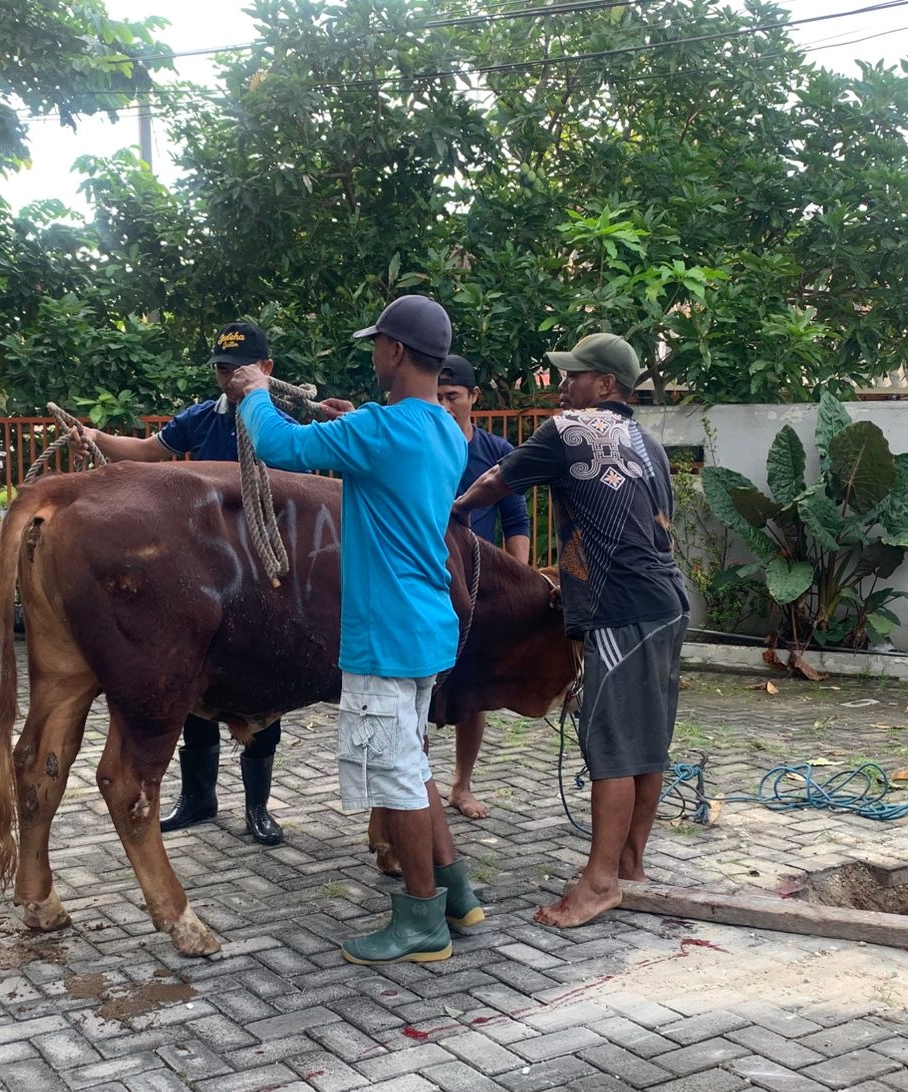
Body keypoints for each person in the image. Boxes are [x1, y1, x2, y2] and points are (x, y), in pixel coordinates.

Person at [228, 294, 485, 965]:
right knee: (413, 764)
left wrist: (254, 392)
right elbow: (381, 448)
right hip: (424, 627)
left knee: (395, 778)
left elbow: (280, 445)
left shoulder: (381, 431)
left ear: (395, 351)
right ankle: (457, 893)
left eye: (377, 344)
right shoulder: (441, 428)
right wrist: (346, 420)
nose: (373, 353)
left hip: (385, 634)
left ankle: (421, 920)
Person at [454, 332, 687, 929]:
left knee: (611, 746)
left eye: (573, 375)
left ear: (604, 384)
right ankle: (630, 867)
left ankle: (600, 883)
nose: (562, 385)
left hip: (619, 607)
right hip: (666, 602)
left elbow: (496, 482)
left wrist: (450, 514)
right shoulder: (649, 443)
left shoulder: (569, 430)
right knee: (647, 742)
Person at [67, 322, 292, 846]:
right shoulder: (201, 418)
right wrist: (96, 438)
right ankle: (198, 799)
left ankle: (258, 807)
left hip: (262, 571)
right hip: (204, 571)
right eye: (221, 369)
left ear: (266, 369)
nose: (228, 378)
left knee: (264, 683)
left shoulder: (280, 426)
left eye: (238, 369)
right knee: (195, 680)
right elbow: (149, 450)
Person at [434, 353, 531, 820]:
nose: (443, 405)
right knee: (416, 689)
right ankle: (416, 789)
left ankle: (461, 784)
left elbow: (516, 519)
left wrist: (519, 585)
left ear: (474, 396)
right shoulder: (420, 445)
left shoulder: (495, 451)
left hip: (480, 592)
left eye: (452, 396)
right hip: (427, 586)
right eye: (436, 396)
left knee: (472, 692)